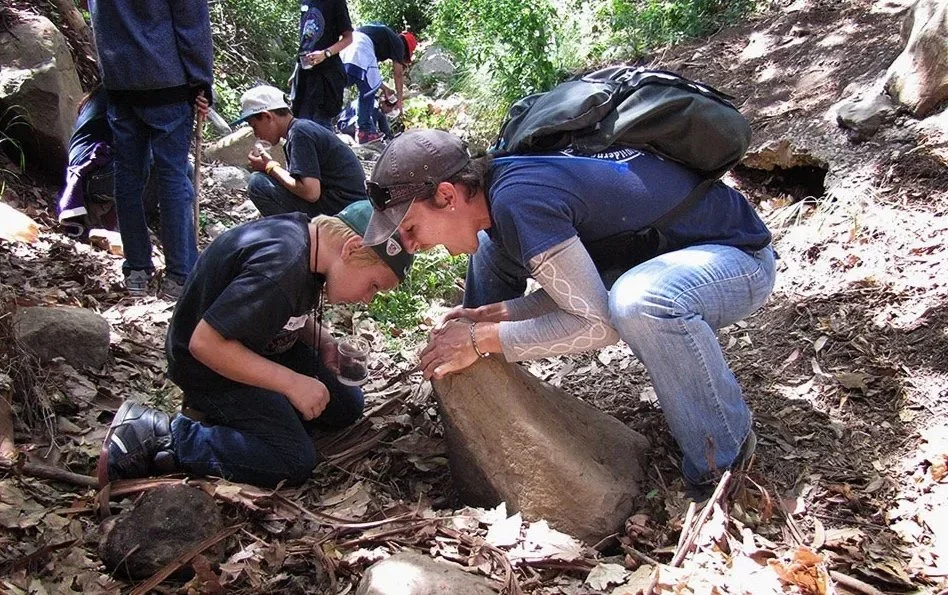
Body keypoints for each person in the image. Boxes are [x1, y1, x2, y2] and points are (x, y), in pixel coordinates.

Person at [362, 129, 777, 496]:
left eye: (411, 228)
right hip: (663, 259)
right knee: (500, 257)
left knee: (640, 303)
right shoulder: (499, 195)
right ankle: (500, 394)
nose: (412, 246)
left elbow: (598, 325)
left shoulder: (520, 201)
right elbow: (584, 292)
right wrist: (504, 315)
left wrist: (479, 340)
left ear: (447, 195)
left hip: (736, 260)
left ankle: (723, 456)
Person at [97, 201, 414, 488]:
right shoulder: (282, 266)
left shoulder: (312, 244)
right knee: (293, 460)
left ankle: (266, 417)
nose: (367, 298)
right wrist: (291, 384)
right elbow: (205, 344)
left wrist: (324, 341)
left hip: (261, 343)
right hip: (211, 365)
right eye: (373, 285)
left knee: (346, 403)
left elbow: (283, 310)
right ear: (351, 247)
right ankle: (158, 435)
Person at [88, 0, 214, 300]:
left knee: (128, 177)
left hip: (121, 83)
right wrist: (201, 81)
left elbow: (98, 19)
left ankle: (137, 271)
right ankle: (178, 275)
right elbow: (192, 24)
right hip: (166, 82)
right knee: (172, 177)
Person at [236, 85, 368, 218]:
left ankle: (301, 236)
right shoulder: (300, 130)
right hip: (348, 207)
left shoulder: (300, 133)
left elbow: (311, 193)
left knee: (258, 184)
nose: (256, 134)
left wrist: (269, 166)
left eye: (255, 126)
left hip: (347, 213)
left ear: (267, 116)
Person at [340, 24, 416, 144]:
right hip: (361, 47)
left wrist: (384, 88)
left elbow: (368, 75)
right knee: (369, 91)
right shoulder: (398, 43)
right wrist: (400, 101)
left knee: (344, 81)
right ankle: (364, 131)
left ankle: (323, 122)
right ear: (406, 50)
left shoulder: (381, 38)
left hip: (346, 47)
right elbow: (398, 74)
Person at [291, 0, 353, 128]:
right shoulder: (306, 2)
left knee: (320, 125)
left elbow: (348, 38)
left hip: (327, 77)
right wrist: (296, 70)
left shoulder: (336, 3)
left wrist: (325, 54)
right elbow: (305, 40)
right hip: (304, 75)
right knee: (301, 124)